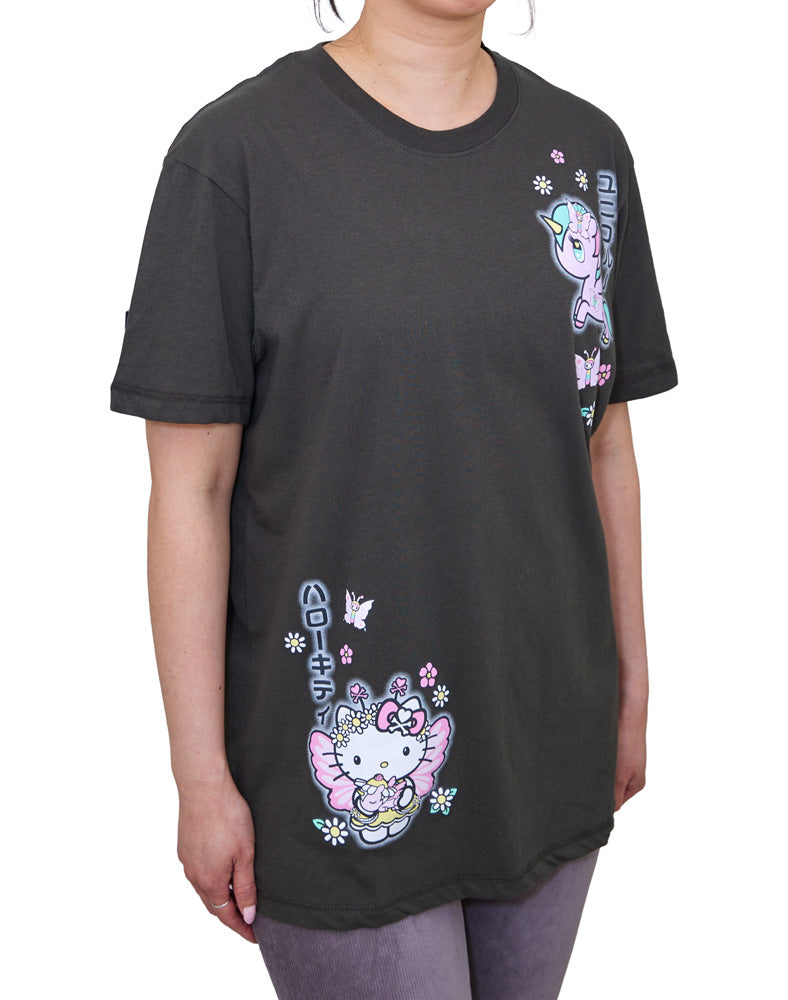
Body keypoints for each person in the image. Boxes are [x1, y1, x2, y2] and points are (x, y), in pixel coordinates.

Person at [109, 0, 678, 996]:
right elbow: (190, 489)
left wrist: (631, 687)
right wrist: (199, 775)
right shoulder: (236, 157)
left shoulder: (584, 153)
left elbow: (606, 444)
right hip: (339, 761)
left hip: (546, 730)